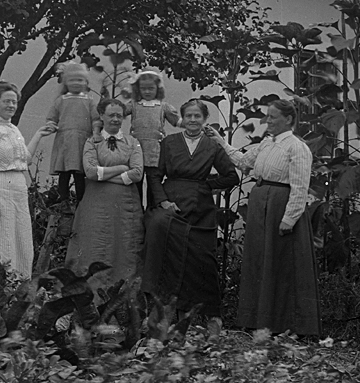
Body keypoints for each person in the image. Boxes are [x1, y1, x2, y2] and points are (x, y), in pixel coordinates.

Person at [205, 99, 320, 335]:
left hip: (280, 207)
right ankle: (259, 321)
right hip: (260, 206)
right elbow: (243, 162)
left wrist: (289, 218)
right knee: (259, 260)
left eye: (273, 117)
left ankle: (286, 325)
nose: (268, 121)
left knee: (281, 264)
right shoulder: (267, 143)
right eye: (268, 116)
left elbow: (300, 187)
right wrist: (220, 141)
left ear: (288, 119)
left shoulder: (297, 147)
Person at [140, 99, 239, 335]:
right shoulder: (169, 142)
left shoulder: (212, 146)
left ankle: (208, 315)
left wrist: (205, 186)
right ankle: (160, 311)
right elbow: (155, 175)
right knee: (159, 236)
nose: (192, 120)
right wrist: (164, 201)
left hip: (200, 209)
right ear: (182, 119)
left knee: (201, 257)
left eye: (197, 116)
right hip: (171, 203)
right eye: (188, 116)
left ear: (204, 119)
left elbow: (231, 176)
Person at [0, 82, 56, 278]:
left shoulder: (13, 130)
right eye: (7, 101)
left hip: (16, 195)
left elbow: (24, 160)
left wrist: (39, 135)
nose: (11, 105)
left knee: (16, 240)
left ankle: (16, 285)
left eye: (14, 102)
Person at [64, 98, 145, 284]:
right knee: (95, 244)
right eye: (111, 115)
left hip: (125, 206)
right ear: (101, 115)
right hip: (96, 204)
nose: (115, 119)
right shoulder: (92, 142)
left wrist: (104, 175)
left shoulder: (133, 142)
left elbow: (137, 173)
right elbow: (91, 172)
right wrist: (122, 168)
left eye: (119, 116)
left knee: (125, 247)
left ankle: (123, 292)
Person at [46, 62, 101, 206]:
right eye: (72, 80)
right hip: (65, 141)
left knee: (80, 173)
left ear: (86, 82)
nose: (76, 83)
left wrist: (96, 132)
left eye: (80, 80)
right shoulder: (60, 101)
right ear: (66, 82)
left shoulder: (89, 101)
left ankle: (81, 202)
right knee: (64, 172)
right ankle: (63, 201)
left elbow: (96, 119)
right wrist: (51, 126)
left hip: (83, 141)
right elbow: (51, 118)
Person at [124, 68, 180, 209]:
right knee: (136, 182)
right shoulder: (134, 105)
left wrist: (195, 125)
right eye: (143, 89)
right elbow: (118, 112)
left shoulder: (163, 106)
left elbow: (177, 121)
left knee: (154, 183)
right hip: (136, 150)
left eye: (151, 88)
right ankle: (137, 212)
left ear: (158, 88)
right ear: (138, 89)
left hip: (155, 152)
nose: (147, 92)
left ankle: (152, 212)